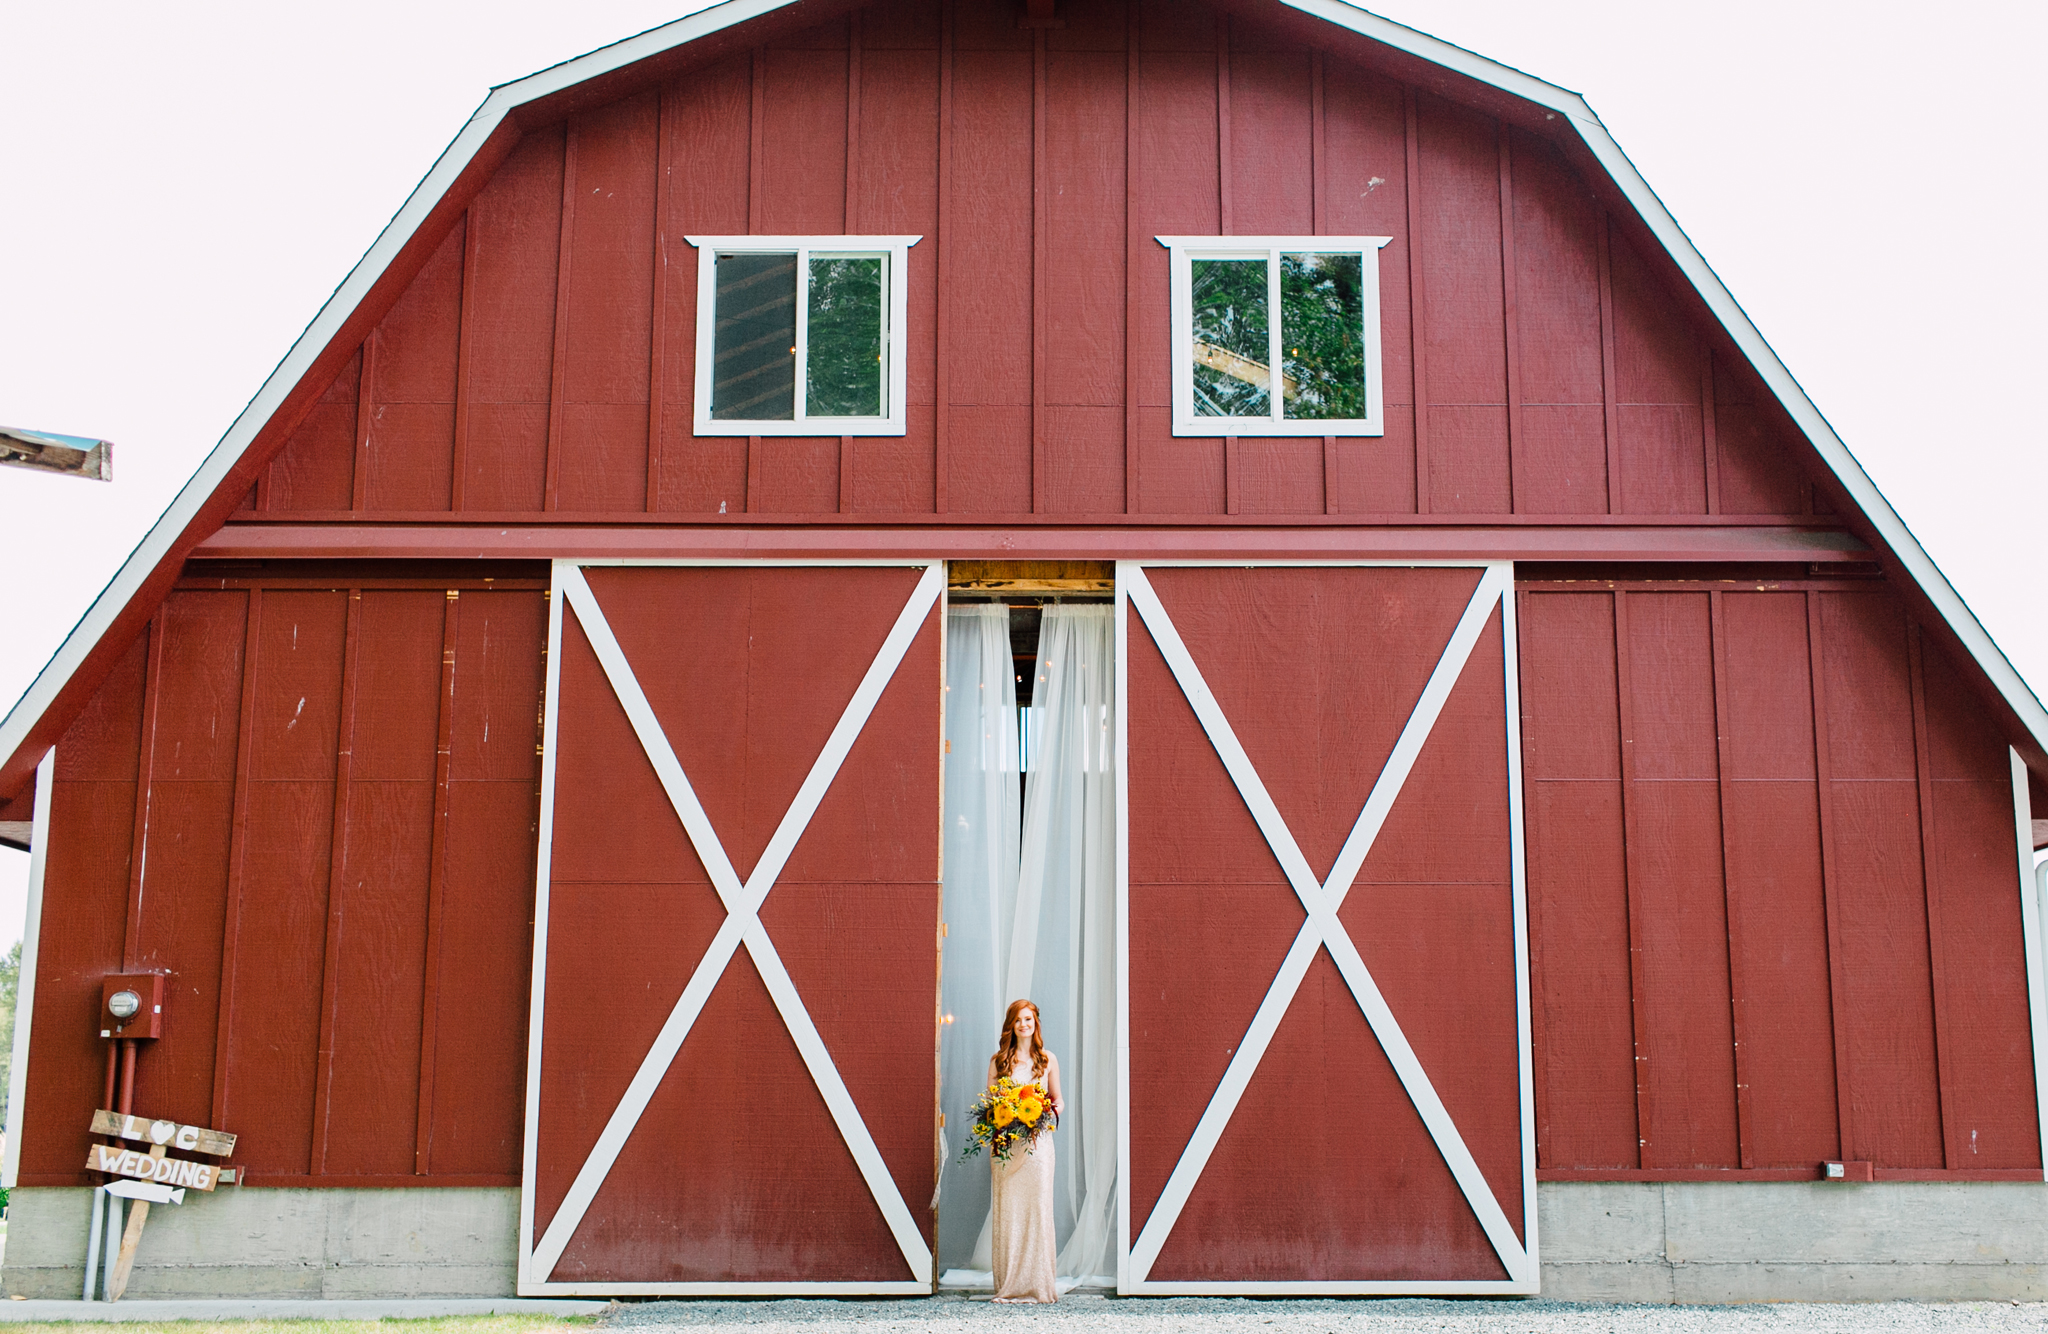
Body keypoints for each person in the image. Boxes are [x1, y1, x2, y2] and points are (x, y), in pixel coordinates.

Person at [987, 999, 1062, 1303]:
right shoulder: (998, 1062)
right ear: (1011, 1025)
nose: (1023, 1025)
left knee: (1037, 1209)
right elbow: (990, 1105)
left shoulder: (1047, 1060)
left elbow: (1058, 1100)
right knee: (1011, 1211)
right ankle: (1010, 1283)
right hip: (1007, 1147)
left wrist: (1043, 1116)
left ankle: (1038, 1283)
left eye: (1028, 1020)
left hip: (1038, 1146)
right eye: (1018, 1020)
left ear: (1035, 1024)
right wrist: (1005, 1115)